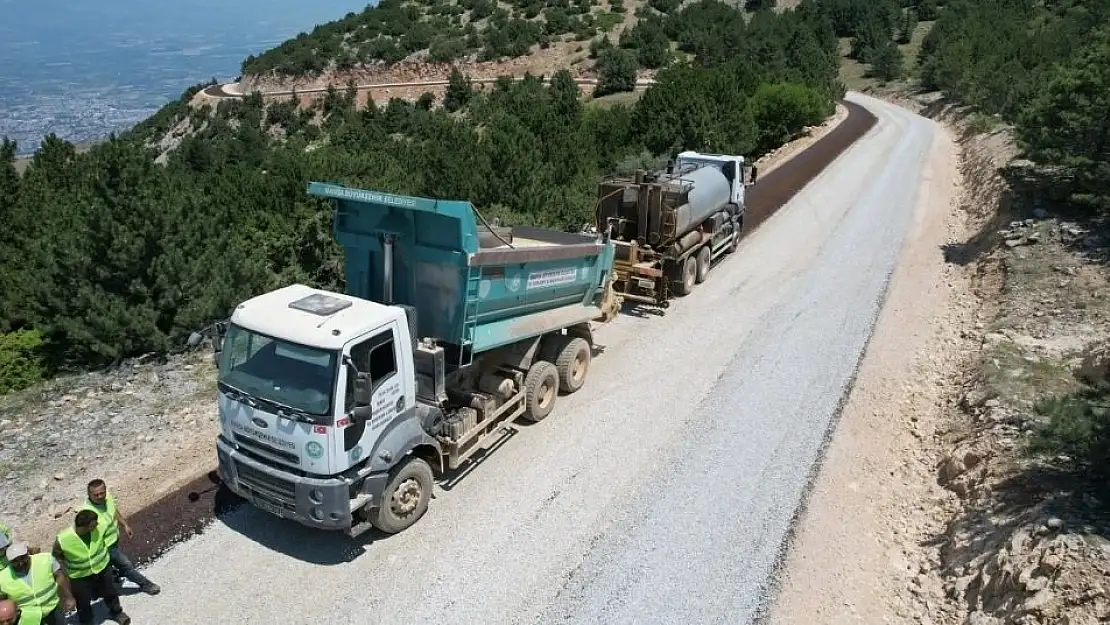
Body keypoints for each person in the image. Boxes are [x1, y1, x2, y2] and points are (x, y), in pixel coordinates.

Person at [82, 479, 159, 595]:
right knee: (125, 565)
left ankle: (105, 581)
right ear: (89, 495)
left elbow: (113, 510)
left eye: (102, 493)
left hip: (113, 539)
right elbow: (83, 533)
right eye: (96, 495)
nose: (100, 496)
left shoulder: (107, 498)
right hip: (104, 546)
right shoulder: (87, 512)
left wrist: (124, 524)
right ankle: (146, 584)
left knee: (108, 567)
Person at [53, 510, 130, 625]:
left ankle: (117, 613)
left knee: (110, 592)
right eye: (94, 525)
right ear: (85, 527)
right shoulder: (63, 539)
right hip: (79, 576)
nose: (97, 526)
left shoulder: (100, 527)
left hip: (103, 568)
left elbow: (112, 516)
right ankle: (87, 621)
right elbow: (57, 557)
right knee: (82, 602)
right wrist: (65, 573)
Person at [0, 541, 76, 625]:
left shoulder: (46, 559)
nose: (20, 563)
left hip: (53, 609)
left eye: (22, 558)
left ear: (27, 554)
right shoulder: (2, 578)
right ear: (9, 562)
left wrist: (68, 597)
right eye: (15, 561)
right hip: (28, 617)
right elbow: (3, 601)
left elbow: (60, 577)